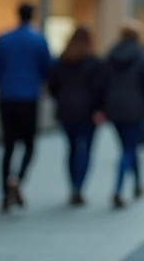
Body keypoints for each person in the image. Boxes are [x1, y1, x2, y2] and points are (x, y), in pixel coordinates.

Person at [0, 2, 53, 213]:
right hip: (29, 99)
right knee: (29, 145)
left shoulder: (3, 39)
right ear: (33, 16)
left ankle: (4, 193)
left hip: (8, 98)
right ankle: (18, 179)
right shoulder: (38, 40)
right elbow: (48, 70)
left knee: (8, 146)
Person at [101, 20, 144, 208]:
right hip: (137, 108)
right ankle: (118, 189)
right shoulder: (143, 56)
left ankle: (138, 184)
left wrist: (102, 106)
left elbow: (102, 83)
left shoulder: (111, 54)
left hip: (114, 108)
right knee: (129, 149)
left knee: (129, 147)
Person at [47, 26, 104, 206]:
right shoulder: (94, 62)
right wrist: (99, 108)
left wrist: (62, 99)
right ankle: (79, 187)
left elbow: (52, 86)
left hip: (66, 110)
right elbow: (99, 88)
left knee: (71, 149)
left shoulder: (62, 60)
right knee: (85, 150)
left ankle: (73, 185)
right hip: (87, 112)